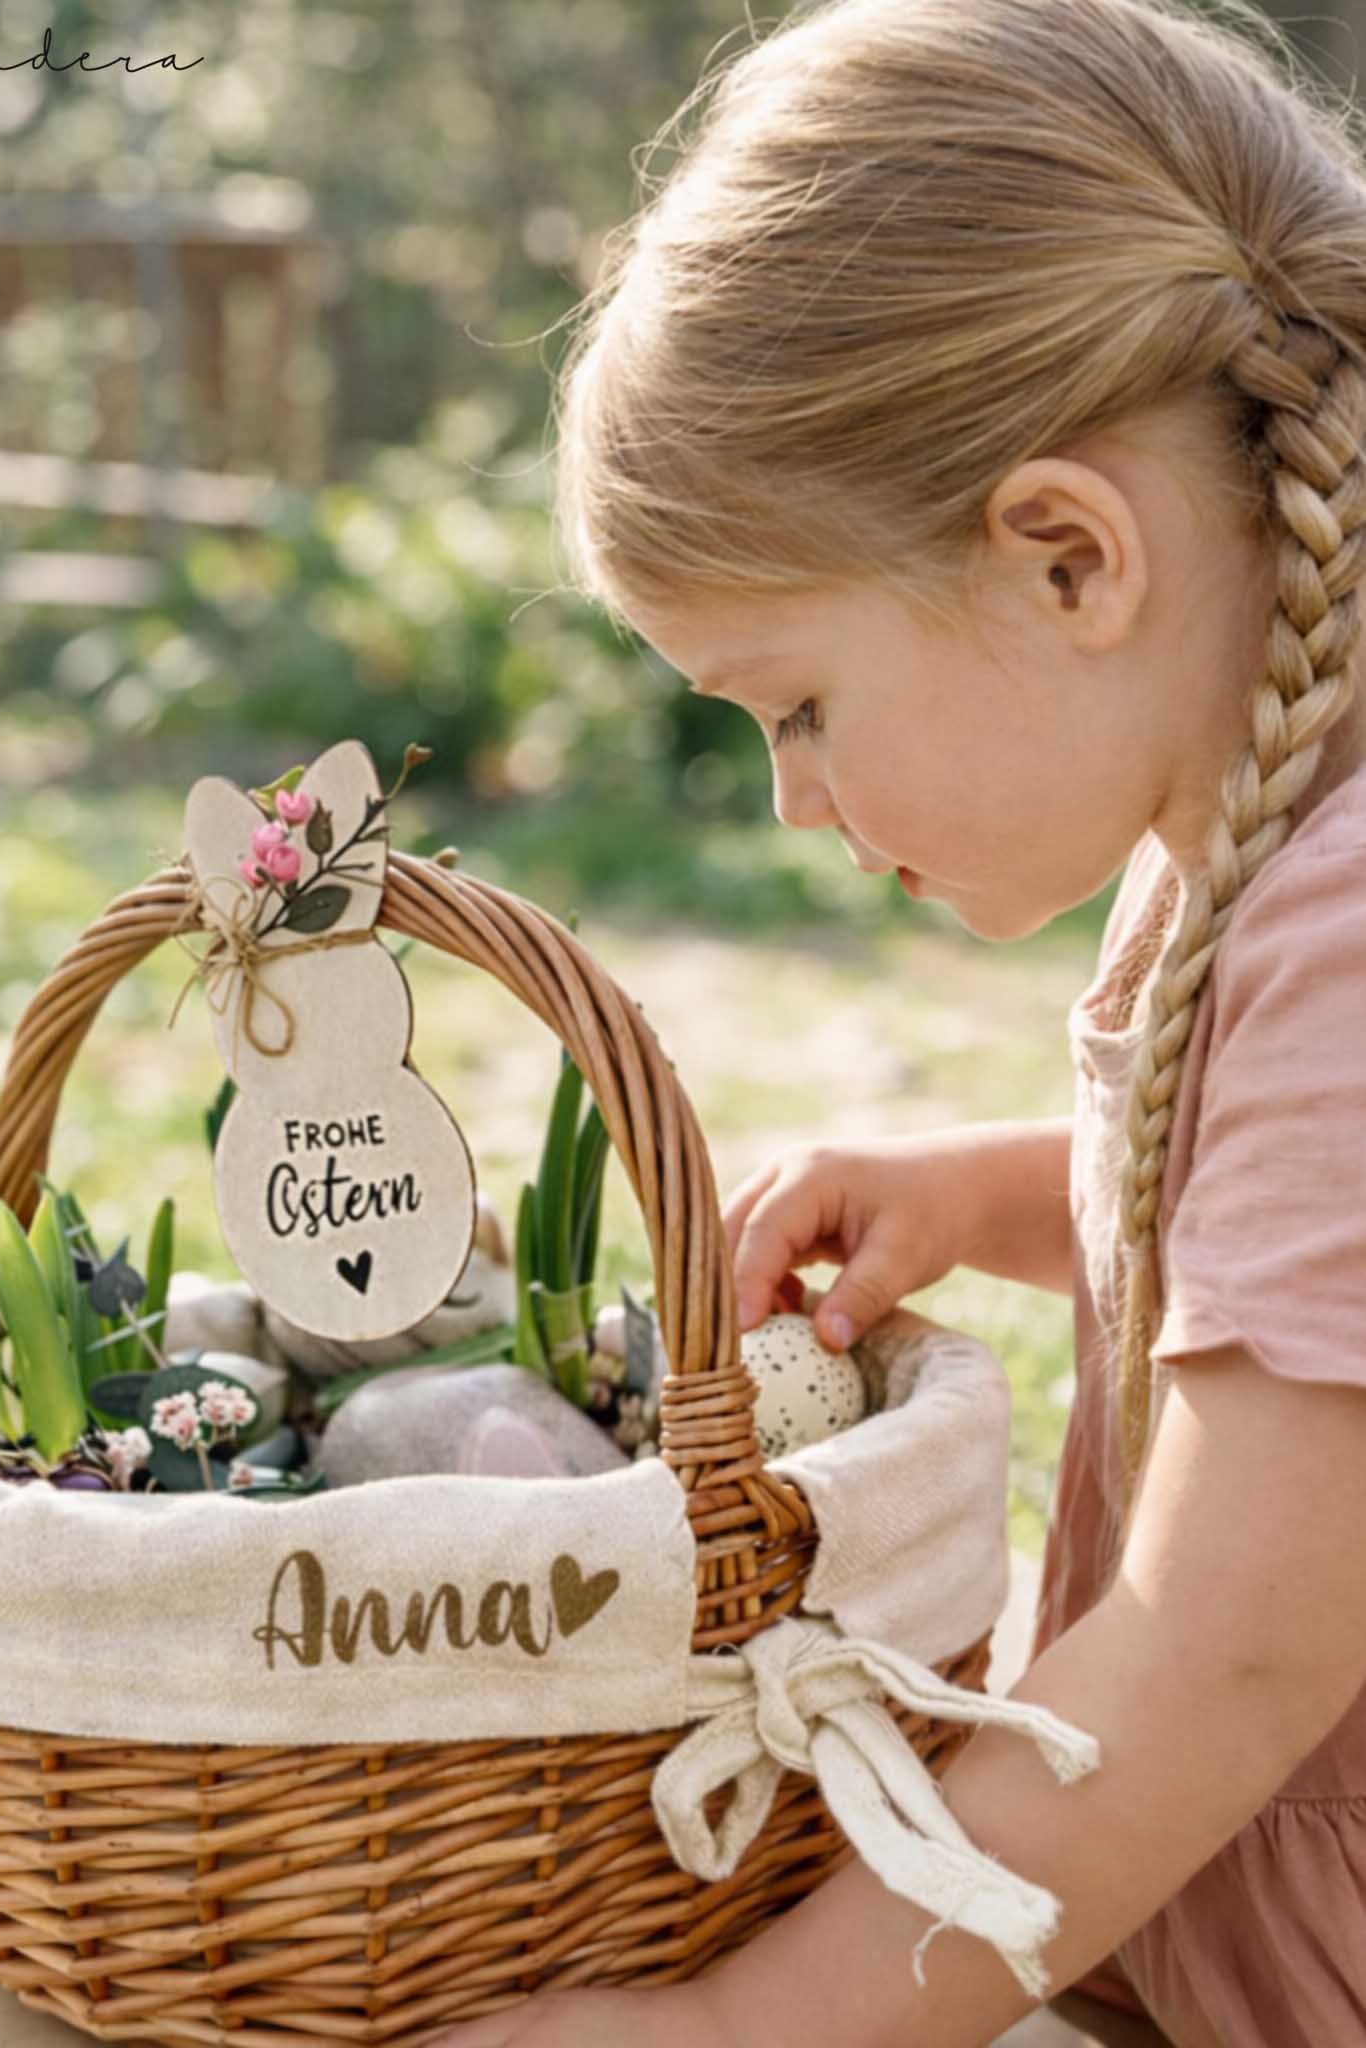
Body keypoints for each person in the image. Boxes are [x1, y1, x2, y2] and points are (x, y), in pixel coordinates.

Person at [434, 2, 1366, 2045]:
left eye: (798, 704)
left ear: (1064, 555)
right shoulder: (1242, 821)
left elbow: (1231, 1653)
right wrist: (993, 1194)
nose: (796, 801)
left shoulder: (1346, 922)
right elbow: (1298, 1279)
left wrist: (739, 2033)